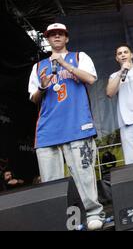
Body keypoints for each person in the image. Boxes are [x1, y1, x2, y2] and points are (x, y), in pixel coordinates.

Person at [28, 23, 104, 230]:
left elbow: (90, 78)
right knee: (52, 182)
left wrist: (63, 63)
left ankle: (93, 214)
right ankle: (59, 221)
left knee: (84, 174)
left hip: (77, 124)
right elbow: (34, 98)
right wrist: (42, 86)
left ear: (66, 38)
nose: (57, 37)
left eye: (60, 34)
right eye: (52, 35)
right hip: (48, 129)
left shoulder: (80, 57)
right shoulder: (38, 67)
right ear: (48, 39)